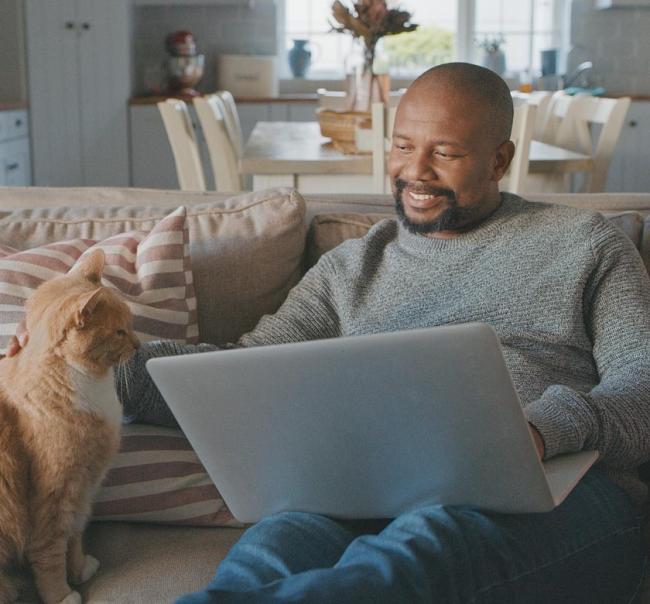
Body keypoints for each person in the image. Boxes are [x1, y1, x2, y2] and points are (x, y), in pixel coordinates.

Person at [9, 63, 650, 603]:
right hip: (358, 485)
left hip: (551, 489)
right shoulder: (352, 264)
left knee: (413, 557)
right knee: (267, 555)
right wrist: (57, 362)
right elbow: (247, 367)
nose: (415, 172)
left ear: (500, 158)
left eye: (445, 152)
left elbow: (641, 384)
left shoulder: (585, 244)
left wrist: (539, 430)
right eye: (403, 146)